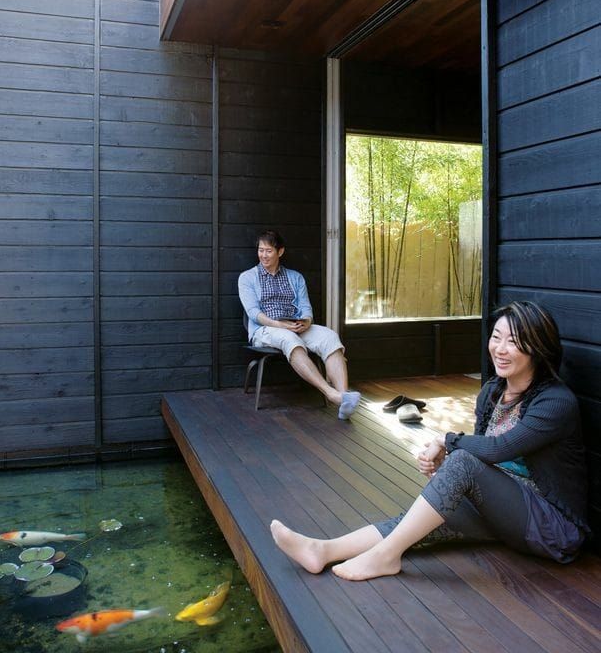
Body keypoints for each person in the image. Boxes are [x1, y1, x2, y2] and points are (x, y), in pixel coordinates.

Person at [270, 301, 589, 579]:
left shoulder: (555, 402)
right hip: (509, 514)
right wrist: (448, 471)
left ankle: (385, 557)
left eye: (514, 342)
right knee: (419, 520)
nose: (500, 349)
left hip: (552, 530)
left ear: (538, 348)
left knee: (461, 463)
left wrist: (447, 442)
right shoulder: (493, 391)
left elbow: (498, 448)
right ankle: (322, 550)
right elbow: (483, 456)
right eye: (496, 337)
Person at [238, 230, 361, 420]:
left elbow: (305, 307)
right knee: (289, 339)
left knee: (329, 336)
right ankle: (330, 393)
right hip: (266, 329)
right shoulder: (247, 278)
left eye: (268, 251)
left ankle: (343, 397)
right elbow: (254, 313)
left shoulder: (295, 277)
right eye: (260, 250)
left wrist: (306, 322)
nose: (263, 255)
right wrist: (280, 325)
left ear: (280, 252)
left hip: (295, 325)